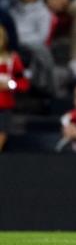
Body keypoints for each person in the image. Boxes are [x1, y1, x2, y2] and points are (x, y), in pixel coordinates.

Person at [9, 0, 56, 97]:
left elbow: (42, 37)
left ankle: (40, 87)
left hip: (32, 48)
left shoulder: (44, 12)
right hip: (13, 48)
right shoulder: (13, 12)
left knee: (41, 53)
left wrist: (20, 40)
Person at [0, 23, 29, 151]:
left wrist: (10, 84)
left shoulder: (12, 59)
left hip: (4, 105)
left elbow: (23, 83)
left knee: (2, 132)